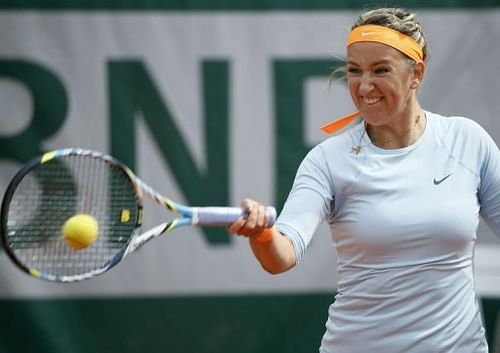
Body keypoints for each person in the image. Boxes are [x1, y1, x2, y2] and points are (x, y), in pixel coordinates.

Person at [228, 7, 500, 353]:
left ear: (416, 73)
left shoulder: (467, 140)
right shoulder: (328, 161)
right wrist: (262, 233)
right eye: (354, 71)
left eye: (380, 70)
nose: (364, 85)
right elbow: (281, 255)